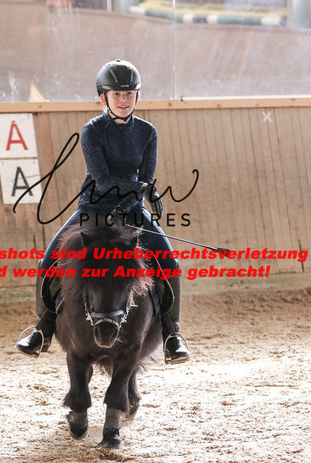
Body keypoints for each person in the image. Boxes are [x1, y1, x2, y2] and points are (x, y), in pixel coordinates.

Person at [16, 59, 190, 364]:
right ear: (103, 97)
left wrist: (135, 198)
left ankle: (171, 334)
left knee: (170, 263)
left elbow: (145, 178)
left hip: (132, 212)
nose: (123, 100)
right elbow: (101, 179)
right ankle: (42, 329)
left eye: (129, 94)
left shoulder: (147, 132)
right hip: (93, 209)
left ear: (138, 96)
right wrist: (140, 189)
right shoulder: (93, 130)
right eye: (116, 94)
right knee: (48, 261)